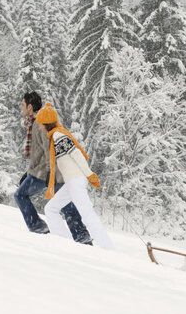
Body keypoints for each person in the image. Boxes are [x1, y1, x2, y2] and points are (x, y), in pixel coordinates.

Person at [14, 92, 92, 244]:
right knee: (65, 205)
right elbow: (39, 153)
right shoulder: (36, 123)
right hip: (48, 171)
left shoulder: (39, 124)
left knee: (20, 195)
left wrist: (48, 173)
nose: (20, 107)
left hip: (48, 172)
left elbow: (49, 149)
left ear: (30, 107)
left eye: (22, 104)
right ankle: (82, 236)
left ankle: (39, 228)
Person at [36, 102, 114, 250]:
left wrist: (90, 175)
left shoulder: (58, 135)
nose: (39, 126)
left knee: (87, 215)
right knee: (51, 209)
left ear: (46, 123)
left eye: (40, 123)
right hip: (71, 183)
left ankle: (109, 249)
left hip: (76, 181)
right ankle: (66, 244)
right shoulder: (54, 136)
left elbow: (76, 154)